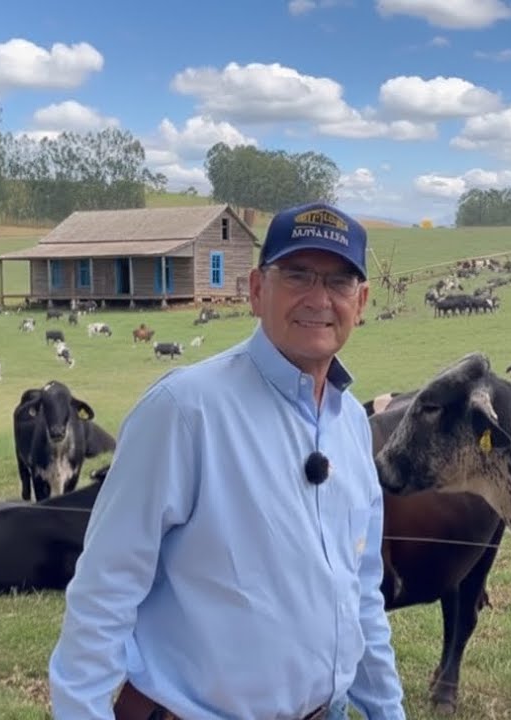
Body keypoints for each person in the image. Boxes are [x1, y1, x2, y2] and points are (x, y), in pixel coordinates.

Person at [48, 201, 407, 720]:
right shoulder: (184, 411)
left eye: (339, 281)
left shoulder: (352, 424)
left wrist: (388, 711)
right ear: (257, 290)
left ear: (362, 301)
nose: (319, 298)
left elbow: (361, 596)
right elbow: (104, 592)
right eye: (298, 275)